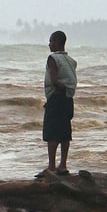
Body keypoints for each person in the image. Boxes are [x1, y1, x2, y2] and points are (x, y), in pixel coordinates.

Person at [38, 30, 77, 177]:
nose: (49, 44)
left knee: (52, 133)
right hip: (68, 99)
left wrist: (58, 92)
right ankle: (63, 165)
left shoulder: (52, 58)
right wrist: (67, 90)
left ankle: (51, 167)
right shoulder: (72, 61)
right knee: (65, 133)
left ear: (57, 42)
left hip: (57, 97)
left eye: (51, 41)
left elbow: (54, 80)